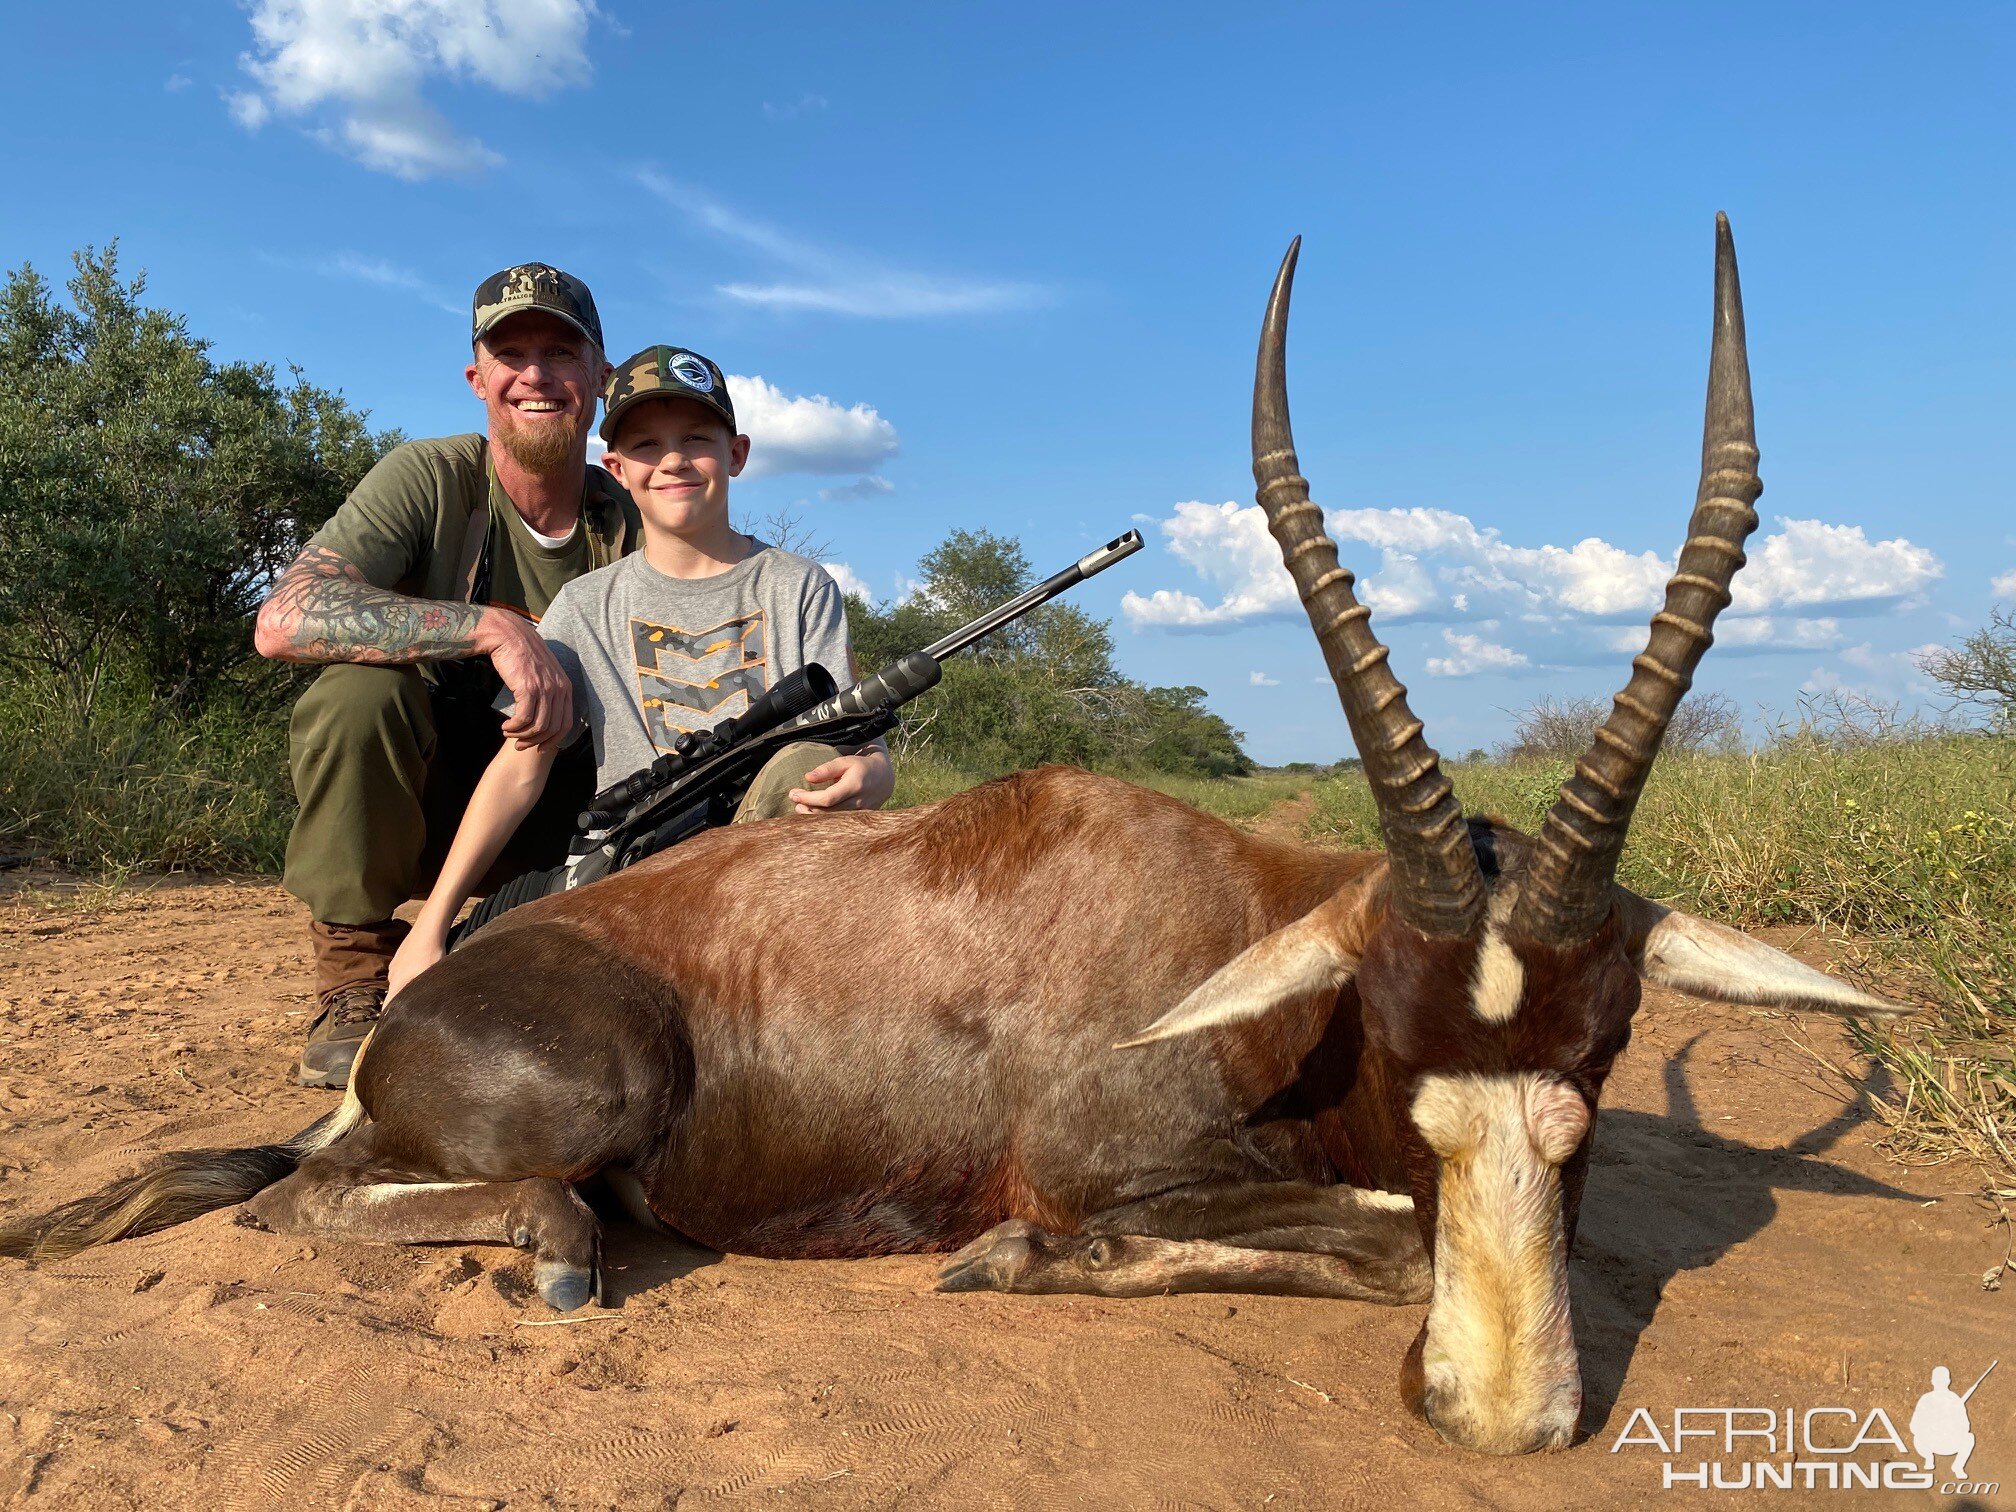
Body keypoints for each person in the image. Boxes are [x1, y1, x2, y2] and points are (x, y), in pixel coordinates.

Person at [385, 344, 894, 999]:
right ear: (616, 468)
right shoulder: (583, 606)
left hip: (782, 890)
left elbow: (864, 748)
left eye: (696, 439)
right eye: (648, 445)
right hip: (640, 890)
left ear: (735, 454)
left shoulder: (799, 588)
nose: (674, 459)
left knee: (798, 772)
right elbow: (520, 765)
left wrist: (873, 774)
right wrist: (432, 925)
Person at [253, 263, 639, 1089]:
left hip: (567, 815)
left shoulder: (631, 516)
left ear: (601, 378)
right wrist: (487, 626)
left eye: (561, 353)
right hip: (428, 800)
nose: (536, 374)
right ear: (478, 378)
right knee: (358, 694)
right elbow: (282, 621)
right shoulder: (430, 478)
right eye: (513, 353)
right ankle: (355, 979)